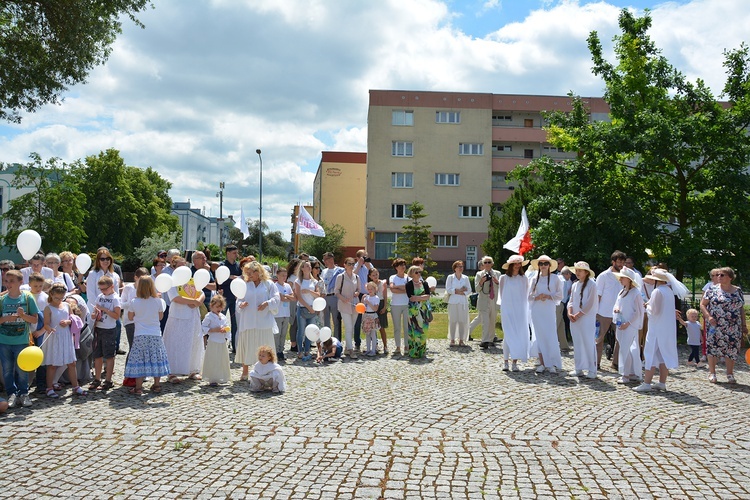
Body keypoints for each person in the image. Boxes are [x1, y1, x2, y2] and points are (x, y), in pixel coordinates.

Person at [635, 269, 687, 392]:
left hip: (656, 328)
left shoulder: (657, 291)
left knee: (650, 353)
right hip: (667, 328)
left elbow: (655, 311)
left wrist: (647, 305)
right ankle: (662, 382)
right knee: (663, 355)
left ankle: (647, 383)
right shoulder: (668, 291)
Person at [39, 283, 87, 398]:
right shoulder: (48, 308)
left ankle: (75, 386)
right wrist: (49, 329)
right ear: (51, 294)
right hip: (54, 337)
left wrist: (68, 322)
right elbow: (45, 324)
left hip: (66, 336)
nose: (59, 300)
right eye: (56, 298)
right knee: (52, 364)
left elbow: (73, 318)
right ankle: (49, 388)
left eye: (61, 298)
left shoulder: (66, 305)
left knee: (71, 363)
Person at [0, 270, 39, 408]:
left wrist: (23, 316)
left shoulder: (27, 298)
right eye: (6, 281)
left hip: (21, 341)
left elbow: (35, 319)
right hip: (4, 341)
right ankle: (11, 393)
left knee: (22, 370)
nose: (8, 284)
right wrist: (5, 319)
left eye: (12, 281)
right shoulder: (2, 300)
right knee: (7, 369)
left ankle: (24, 393)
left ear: (20, 282)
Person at [701, 267, 747, 384]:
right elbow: (702, 305)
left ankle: (730, 373)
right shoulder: (711, 289)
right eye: (718, 275)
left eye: (722, 275)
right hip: (715, 325)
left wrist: (744, 324)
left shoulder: (737, 291)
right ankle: (712, 373)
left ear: (730, 277)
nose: (719, 277)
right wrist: (708, 316)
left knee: (731, 349)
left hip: (733, 326)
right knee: (712, 348)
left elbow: (741, 308)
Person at [162, 257, 205, 383]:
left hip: (193, 315)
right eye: (180, 265)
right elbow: (175, 297)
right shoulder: (172, 281)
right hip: (178, 315)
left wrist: (198, 302)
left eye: (184, 265)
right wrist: (192, 301)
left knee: (193, 341)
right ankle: (172, 372)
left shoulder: (191, 280)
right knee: (176, 342)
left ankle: (192, 369)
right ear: (174, 266)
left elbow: (201, 292)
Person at [124, 276, 169, 394]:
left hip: (140, 334)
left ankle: (138, 387)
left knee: (140, 360)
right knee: (156, 358)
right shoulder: (158, 301)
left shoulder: (135, 302)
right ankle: (157, 384)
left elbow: (130, 317)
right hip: (155, 334)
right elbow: (160, 317)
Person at [236, 261, 280, 381]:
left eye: (250, 273)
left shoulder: (268, 284)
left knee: (265, 347)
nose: (248, 275)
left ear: (258, 272)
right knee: (247, 345)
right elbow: (238, 301)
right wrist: (241, 304)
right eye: (247, 273)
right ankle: (245, 371)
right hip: (248, 321)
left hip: (263, 322)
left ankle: (268, 371)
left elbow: (276, 298)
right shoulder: (245, 285)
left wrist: (267, 303)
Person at [529, 255, 563, 374]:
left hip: (549, 309)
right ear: (538, 266)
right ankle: (542, 363)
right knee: (539, 336)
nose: (543, 266)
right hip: (537, 310)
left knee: (550, 335)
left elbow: (560, 295)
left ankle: (552, 362)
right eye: (541, 264)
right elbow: (529, 295)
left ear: (549, 265)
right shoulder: (534, 279)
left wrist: (549, 296)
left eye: (545, 263)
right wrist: (537, 297)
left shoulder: (555, 278)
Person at [88, 275, 121, 391]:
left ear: (111, 287)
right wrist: (94, 315)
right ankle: (97, 379)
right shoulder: (100, 297)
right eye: (101, 289)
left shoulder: (115, 298)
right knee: (97, 355)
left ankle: (108, 380)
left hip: (109, 329)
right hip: (99, 327)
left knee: (109, 355)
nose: (102, 291)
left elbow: (117, 316)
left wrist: (105, 310)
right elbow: (95, 312)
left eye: (105, 289)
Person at [612, 267, 644, 384]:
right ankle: (632, 372)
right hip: (621, 324)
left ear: (629, 280)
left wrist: (628, 323)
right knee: (627, 349)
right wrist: (616, 309)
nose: (620, 279)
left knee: (627, 348)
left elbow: (638, 311)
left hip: (629, 325)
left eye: (623, 278)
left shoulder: (635, 293)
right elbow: (617, 304)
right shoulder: (622, 291)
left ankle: (626, 375)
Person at [596, 250, 626, 369]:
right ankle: (596, 363)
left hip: (619, 313)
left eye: (623, 262)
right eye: (619, 262)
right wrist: (596, 313)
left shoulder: (625, 276)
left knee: (621, 339)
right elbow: (597, 295)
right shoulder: (603, 276)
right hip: (603, 312)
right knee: (598, 339)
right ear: (613, 262)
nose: (621, 265)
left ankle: (616, 363)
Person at [568, 262, 598, 379]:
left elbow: (590, 303)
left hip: (586, 318)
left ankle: (592, 369)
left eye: (580, 270)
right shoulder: (575, 285)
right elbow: (571, 300)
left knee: (588, 342)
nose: (577, 273)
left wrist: (579, 314)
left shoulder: (592, 285)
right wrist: (570, 312)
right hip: (575, 318)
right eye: (576, 270)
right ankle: (578, 368)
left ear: (586, 272)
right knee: (577, 342)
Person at [499, 255, 530, 371]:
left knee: (519, 334)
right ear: (511, 265)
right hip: (508, 309)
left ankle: (514, 362)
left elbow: (526, 294)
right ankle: (506, 361)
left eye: (519, 263)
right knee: (508, 335)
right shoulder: (504, 278)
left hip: (520, 310)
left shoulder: (524, 278)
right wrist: (505, 308)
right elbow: (502, 295)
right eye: (515, 263)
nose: (517, 266)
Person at [120, 268, 149, 387]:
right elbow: (121, 304)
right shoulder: (128, 288)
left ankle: (141, 373)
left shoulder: (148, 288)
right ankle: (129, 374)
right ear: (135, 278)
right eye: (141, 279)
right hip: (130, 321)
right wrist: (134, 302)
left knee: (143, 348)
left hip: (143, 321)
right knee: (133, 347)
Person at [201, 294, 231, 386]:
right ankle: (212, 378)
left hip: (222, 342)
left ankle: (222, 376)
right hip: (213, 341)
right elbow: (203, 327)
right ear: (212, 306)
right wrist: (214, 330)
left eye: (221, 307)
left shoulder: (223, 317)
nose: (219, 309)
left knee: (221, 359)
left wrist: (225, 330)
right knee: (213, 359)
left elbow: (226, 326)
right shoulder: (209, 316)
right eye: (217, 306)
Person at [294, 260, 320, 362]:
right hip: (302, 308)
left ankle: (307, 350)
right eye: (306, 266)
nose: (309, 268)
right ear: (302, 268)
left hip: (312, 308)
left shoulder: (314, 281)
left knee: (310, 330)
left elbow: (318, 294)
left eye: (309, 266)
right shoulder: (298, 281)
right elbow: (299, 297)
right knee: (301, 331)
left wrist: (309, 291)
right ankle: (300, 350)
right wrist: (309, 308)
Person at [335, 257, 360, 359]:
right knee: (348, 327)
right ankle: (351, 350)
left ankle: (347, 347)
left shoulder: (357, 277)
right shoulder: (340, 277)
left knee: (351, 328)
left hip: (355, 305)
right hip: (344, 305)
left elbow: (359, 289)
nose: (351, 266)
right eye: (349, 264)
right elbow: (336, 291)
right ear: (344, 265)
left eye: (352, 264)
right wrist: (343, 298)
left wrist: (357, 293)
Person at [218, 244, 242, 353]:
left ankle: (235, 346)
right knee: (221, 320)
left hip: (236, 298)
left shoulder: (238, 266)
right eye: (234, 253)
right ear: (228, 253)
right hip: (224, 297)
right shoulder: (222, 265)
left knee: (235, 322)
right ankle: (221, 344)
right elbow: (219, 280)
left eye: (236, 253)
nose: (236, 255)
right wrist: (230, 278)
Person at [475, 256, 502, 350]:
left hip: (494, 300)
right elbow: (477, 289)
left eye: (489, 262)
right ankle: (485, 340)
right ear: (483, 264)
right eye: (485, 262)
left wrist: (497, 282)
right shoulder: (479, 274)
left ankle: (491, 340)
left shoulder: (497, 273)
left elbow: (502, 287)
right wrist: (481, 282)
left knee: (492, 321)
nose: (487, 264)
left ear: (492, 263)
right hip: (484, 299)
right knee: (485, 321)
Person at [405, 265, 431, 359]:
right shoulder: (409, 284)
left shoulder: (425, 283)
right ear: (412, 274)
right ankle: (414, 351)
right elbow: (411, 298)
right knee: (414, 330)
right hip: (413, 311)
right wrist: (421, 297)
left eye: (420, 272)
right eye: (417, 272)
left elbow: (428, 296)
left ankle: (422, 351)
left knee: (424, 330)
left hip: (423, 310)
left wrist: (418, 298)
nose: (419, 274)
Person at [352, 249, 374, 352]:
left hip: (369, 294)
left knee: (370, 317)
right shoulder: (355, 265)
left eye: (366, 256)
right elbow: (353, 275)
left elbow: (373, 274)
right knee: (358, 320)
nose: (365, 258)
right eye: (363, 256)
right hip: (359, 294)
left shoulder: (369, 265)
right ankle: (357, 343)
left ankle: (373, 342)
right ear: (358, 257)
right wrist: (359, 264)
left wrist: (367, 264)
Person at [445, 260, 470, 347]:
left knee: (462, 321)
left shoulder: (465, 278)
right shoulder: (450, 277)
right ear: (455, 268)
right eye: (459, 266)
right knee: (453, 320)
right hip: (453, 302)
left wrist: (463, 293)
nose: (460, 268)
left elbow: (469, 290)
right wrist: (457, 291)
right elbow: (448, 289)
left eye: (462, 266)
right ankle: (452, 339)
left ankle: (461, 340)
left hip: (463, 302)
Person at [320, 252, 344, 341]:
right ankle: (327, 340)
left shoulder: (340, 270)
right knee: (326, 319)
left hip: (335, 297)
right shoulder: (324, 271)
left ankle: (337, 340)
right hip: (325, 296)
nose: (324, 262)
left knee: (336, 320)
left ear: (331, 259)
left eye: (325, 260)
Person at [389, 258, 409, 356]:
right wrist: (403, 288)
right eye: (401, 265)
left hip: (406, 304)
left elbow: (409, 289)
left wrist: (399, 287)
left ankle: (406, 346)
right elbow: (392, 289)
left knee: (406, 326)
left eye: (404, 265)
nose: (403, 267)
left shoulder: (408, 277)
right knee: (397, 327)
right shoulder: (393, 277)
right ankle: (397, 346)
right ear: (396, 267)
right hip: (395, 305)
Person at [273, 268, 294, 361]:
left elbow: (293, 297)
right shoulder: (275, 286)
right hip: (278, 313)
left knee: (284, 333)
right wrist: (287, 297)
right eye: (282, 275)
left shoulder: (287, 286)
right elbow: (281, 298)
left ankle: (281, 350)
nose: (284, 277)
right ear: (277, 275)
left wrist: (286, 296)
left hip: (286, 313)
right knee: (277, 333)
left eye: (285, 275)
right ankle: (276, 351)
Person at [367, 267, 389, 354]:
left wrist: (384, 307)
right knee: (372, 326)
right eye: (373, 275)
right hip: (372, 305)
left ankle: (385, 345)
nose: (375, 276)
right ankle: (374, 346)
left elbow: (385, 296)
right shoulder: (369, 284)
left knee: (382, 327)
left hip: (381, 303)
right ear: (370, 276)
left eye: (377, 274)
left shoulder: (382, 283)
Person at [556, 266, 573, 351]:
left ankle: (564, 346)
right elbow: (562, 295)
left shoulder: (559, 279)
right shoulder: (563, 281)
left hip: (560, 304)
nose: (570, 276)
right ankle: (551, 346)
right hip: (559, 304)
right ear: (567, 274)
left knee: (561, 325)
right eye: (570, 274)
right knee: (555, 325)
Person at [362, 281, 381, 356]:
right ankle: (368, 349)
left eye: (371, 289)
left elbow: (375, 308)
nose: (370, 291)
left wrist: (368, 302)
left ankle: (373, 350)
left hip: (373, 316)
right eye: (368, 289)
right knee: (367, 334)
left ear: (375, 289)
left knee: (373, 334)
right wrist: (363, 300)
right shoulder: (366, 297)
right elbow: (363, 307)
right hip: (366, 315)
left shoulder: (376, 298)